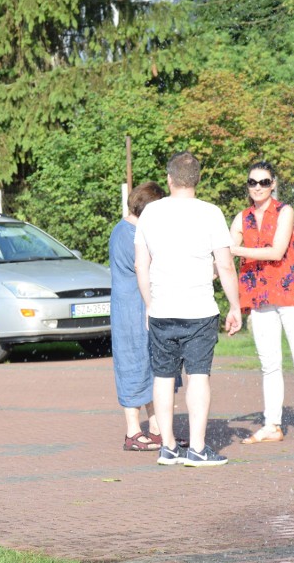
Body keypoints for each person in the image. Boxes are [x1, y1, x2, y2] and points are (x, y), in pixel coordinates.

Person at [134, 151, 241, 467]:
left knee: (163, 376)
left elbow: (141, 265)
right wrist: (235, 306)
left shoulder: (151, 213)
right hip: (199, 310)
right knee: (198, 376)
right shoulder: (211, 213)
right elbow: (225, 264)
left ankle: (167, 447)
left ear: (169, 179)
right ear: (197, 179)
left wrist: (149, 304)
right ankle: (196, 447)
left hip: (162, 308)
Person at [229, 161, 294, 444]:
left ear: (273, 184)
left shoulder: (285, 211)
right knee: (270, 364)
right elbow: (222, 260)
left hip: (291, 294)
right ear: (248, 185)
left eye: (264, 182)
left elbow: (275, 251)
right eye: (253, 182)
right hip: (260, 297)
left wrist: (233, 250)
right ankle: (272, 424)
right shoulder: (241, 218)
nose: (258, 187)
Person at [110, 181, 165, 451]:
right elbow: (150, 264)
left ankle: (156, 428)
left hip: (142, 308)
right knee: (133, 365)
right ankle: (133, 432)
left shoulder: (134, 229)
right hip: (131, 312)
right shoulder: (127, 233)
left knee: (153, 366)